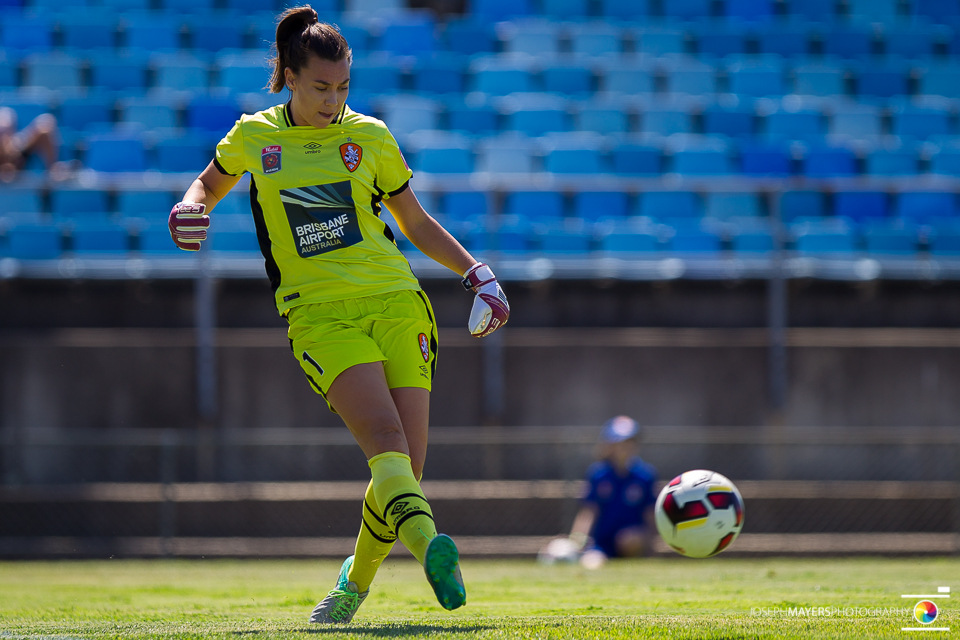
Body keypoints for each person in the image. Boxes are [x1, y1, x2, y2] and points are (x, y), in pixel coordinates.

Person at [168, 5, 509, 623]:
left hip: (398, 301)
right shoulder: (253, 136)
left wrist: (475, 272)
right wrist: (188, 211)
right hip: (320, 316)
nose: (334, 100)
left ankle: (353, 584)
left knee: (407, 468)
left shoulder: (371, 137)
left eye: (344, 86)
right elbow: (205, 188)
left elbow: (414, 222)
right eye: (321, 87)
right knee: (385, 444)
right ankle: (435, 550)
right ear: (290, 77)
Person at [544, 416, 657, 569]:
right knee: (592, 564)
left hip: (631, 542)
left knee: (629, 541)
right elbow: (589, 511)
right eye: (620, 443)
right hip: (602, 544)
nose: (625, 447)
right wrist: (576, 540)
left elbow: (650, 515)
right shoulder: (598, 474)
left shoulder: (645, 475)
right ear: (609, 445)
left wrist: (647, 541)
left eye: (629, 442)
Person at [0, 106, 71, 182]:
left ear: (14, 130)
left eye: (7, 131)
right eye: (1, 132)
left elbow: (45, 128)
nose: (3, 136)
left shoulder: (20, 144)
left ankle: (53, 169)